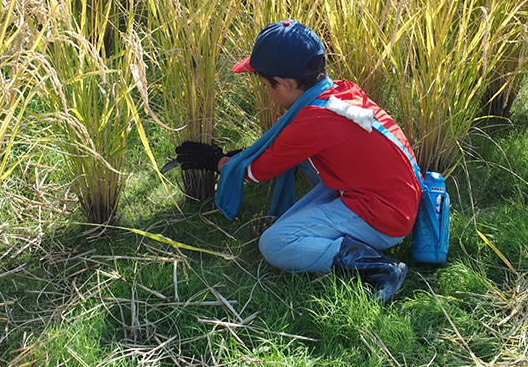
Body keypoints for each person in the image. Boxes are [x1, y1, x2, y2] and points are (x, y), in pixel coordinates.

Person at [172, 20, 422, 302]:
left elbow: (255, 172)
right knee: (297, 181)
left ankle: (378, 268)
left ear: (285, 84)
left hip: (384, 218)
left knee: (275, 244)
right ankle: (344, 238)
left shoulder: (313, 121)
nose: (266, 91)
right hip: (397, 196)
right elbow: (292, 148)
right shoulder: (339, 92)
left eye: (266, 84)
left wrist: (216, 161)